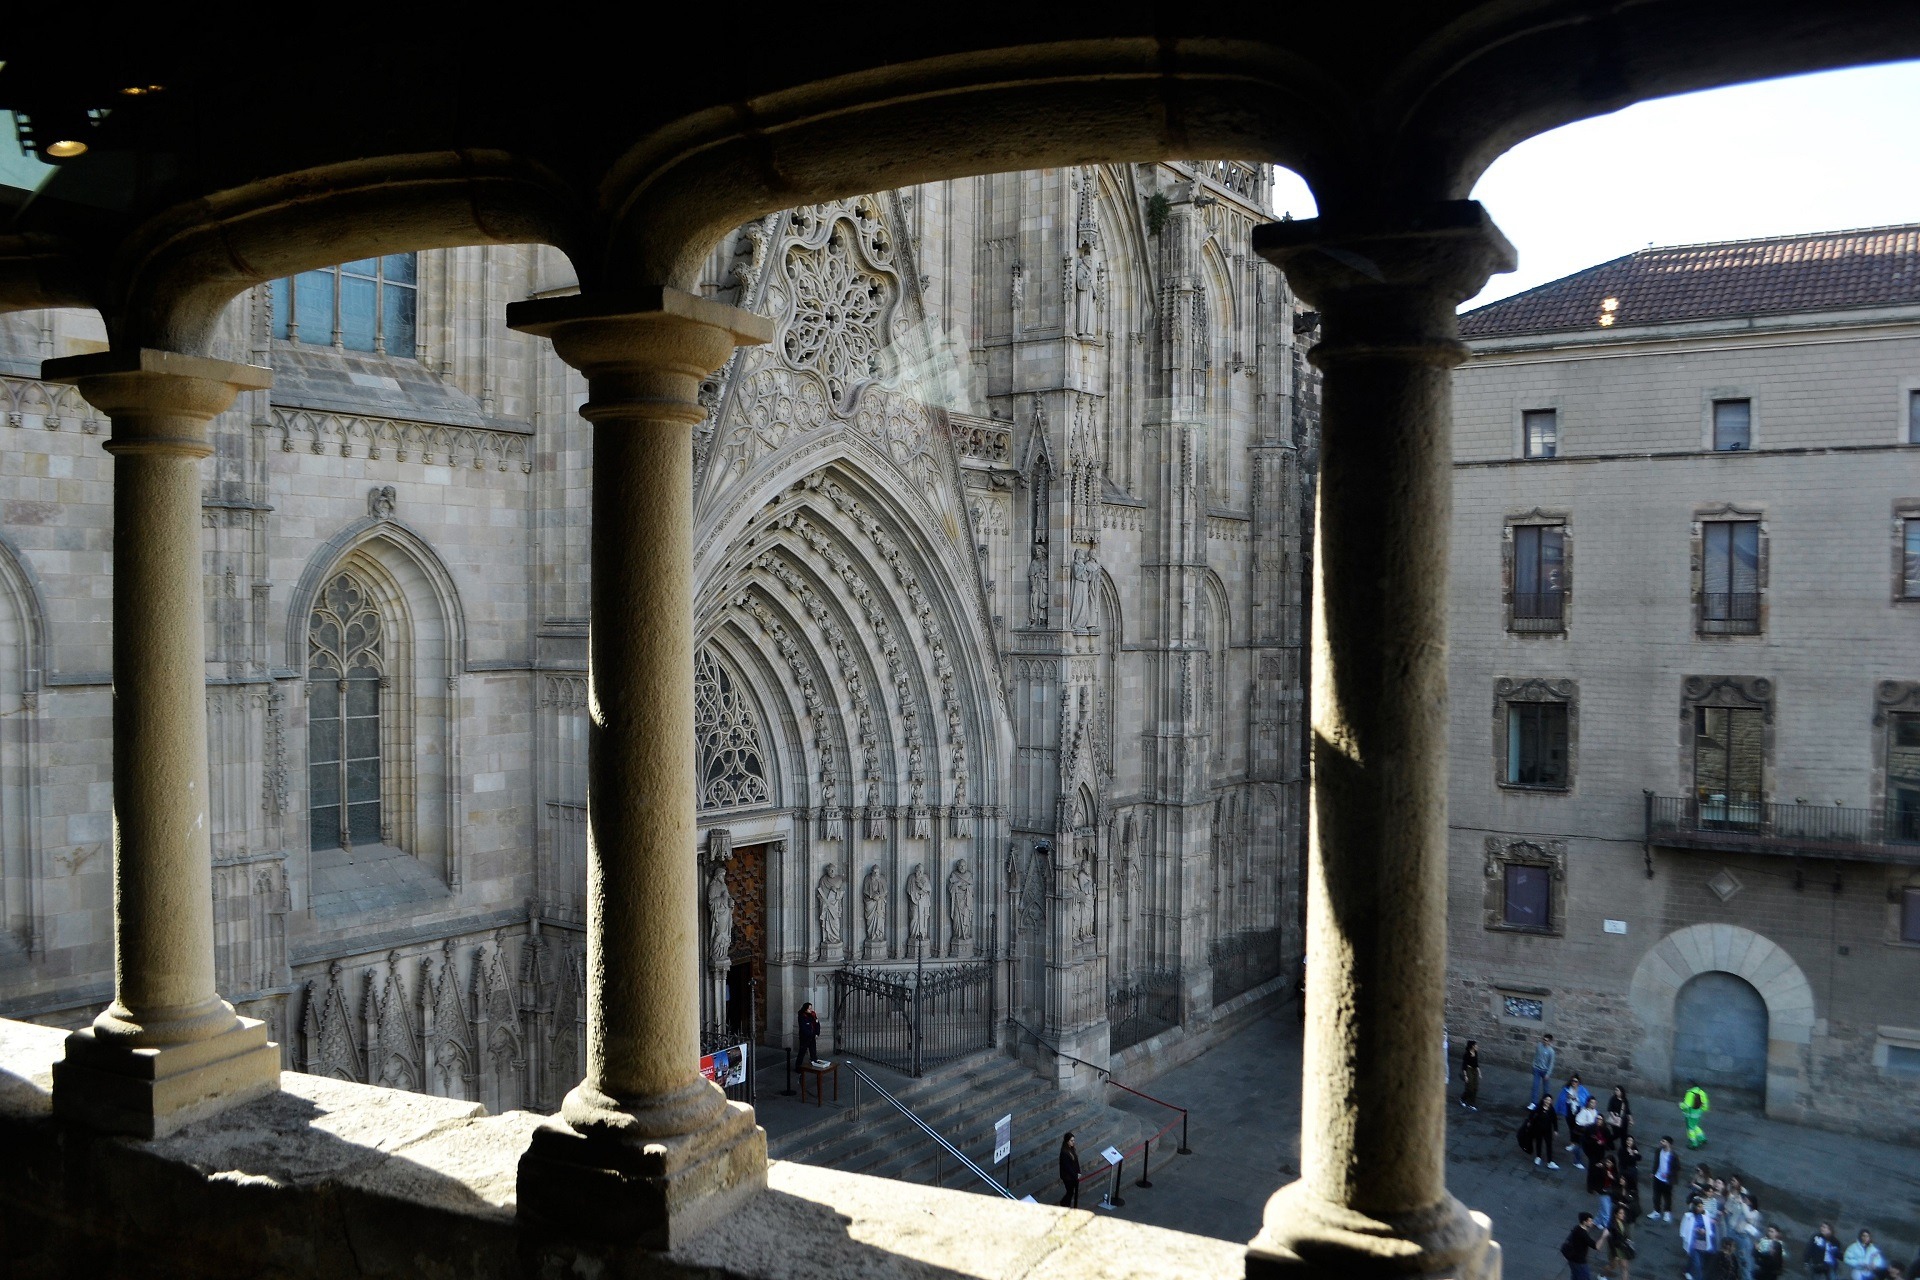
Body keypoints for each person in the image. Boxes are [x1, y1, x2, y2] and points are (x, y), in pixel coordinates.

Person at [1681, 1198, 1719, 1280]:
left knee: (1699, 1260)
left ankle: (1687, 1271)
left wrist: (1704, 1231)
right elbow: (1684, 1230)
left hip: (1701, 1241)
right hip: (1692, 1242)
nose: (1701, 1208)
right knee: (1697, 1264)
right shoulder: (1688, 1216)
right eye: (1699, 1206)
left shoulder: (1705, 1216)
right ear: (1694, 1207)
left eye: (1702, 1206)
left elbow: (1708, 1229)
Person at [1561, 1211, 1600, 1280]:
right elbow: (1595, 1246)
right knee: (1585, 1277)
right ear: (1584, 1222)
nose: (1592, 1222)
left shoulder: (1577, 1228)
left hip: (1572, 1259)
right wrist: (1604, 1236)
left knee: (1575, 1276)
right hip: (1579, 1261)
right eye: (1590, 1221)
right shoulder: (1583, 1234)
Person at [1522, 1101, 1561, 1169]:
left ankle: (1550, 1161)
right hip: (1538, 1129)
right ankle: (1538, 1157)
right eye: (1547, 1100)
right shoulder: (1539, 1108)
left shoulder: (1551, 1109)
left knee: (1549, 1145)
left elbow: (1554, 1119)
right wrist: (1530, 1122)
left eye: (1549, 1100)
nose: (1548, 1102)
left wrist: (1555, 1129)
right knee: (1538, 1143)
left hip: (1548, 1130)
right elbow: (1532, 1115)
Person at [1650, 1137, 1677, 1221]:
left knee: (1667, 1197)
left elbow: (1677, 1167)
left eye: (1663, 1141)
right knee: (1656, 1196)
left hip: (1667, 1180)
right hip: (1657, 1177)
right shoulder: (1658, 1151)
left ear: (1668, 1143)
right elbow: (1656, 1162)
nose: (1661, 1142)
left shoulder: (1673, 1155)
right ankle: (1656, 1211)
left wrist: (1669, 1174)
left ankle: (1667, 1212)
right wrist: (1653, 1172)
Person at [1606, 1205, 1635, 1280]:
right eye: (1620, 1213)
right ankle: (1603, 1274)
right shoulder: (1613, 1226)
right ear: (1616, 1214)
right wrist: (1615, 1255)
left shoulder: (1624, 1222)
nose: (1623, 1215)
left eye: (1623, 1213)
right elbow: (1611, 1241)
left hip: (1623, 1248)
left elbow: (1626, 1234)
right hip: (1616, 1249)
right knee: (1613, 1266)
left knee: (1625, 1268)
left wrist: (1628, 1240)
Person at [1591, 1152, 1619, 1227]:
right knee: (1607, 1211)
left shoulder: (1614, 1171)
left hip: (1610, 1192)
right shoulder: (1602, 1169)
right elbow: (1596, 1178)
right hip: (1603, 1192)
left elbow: (1617, 1181)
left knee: (1603, 1208)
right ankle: (1606, 1226)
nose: (1608, 1164)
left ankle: (1596, 1221)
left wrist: (1612, 1177)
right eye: (1607, 1162)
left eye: (1609, 1162)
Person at [1681, 1080, 1711, 1148]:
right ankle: (1702, 1138)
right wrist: (1701, 1110)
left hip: (1690, 1114)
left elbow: (1686, 1105)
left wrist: (1681, 1105)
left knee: (1690, 1128)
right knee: (1695, 1126)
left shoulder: (1690, 1093)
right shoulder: (1701, 1092)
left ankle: (1693, 1143)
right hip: (1698, 1113)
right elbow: (1705, 1104)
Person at [1532, 1033, 1557, 1104]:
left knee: (1546, 1089)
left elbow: (1551, 1064)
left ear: (1550, 1042)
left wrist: (1548, 1074)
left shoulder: (1551, 1051)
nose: (1544, 1041)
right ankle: (1534, 1103)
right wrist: (1534, 1065)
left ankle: (1546, 1102)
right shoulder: (1539, 1046)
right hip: (1537, 1069)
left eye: (1546, 1040)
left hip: (1545, 1071)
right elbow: (1536, 1056)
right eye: (1544, 1039)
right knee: (1535, 1086)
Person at [1058, 1132, 1081, 1208]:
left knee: (1070, 1192)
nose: (1073, 1142)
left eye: (1073, 1140)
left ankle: (1065, 1204)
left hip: (1073, 1175)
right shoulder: (1064, 1153)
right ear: (1067, 1141)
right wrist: (1075, 1175)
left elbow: (1076, 1161)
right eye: (1071, 1141)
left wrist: (1078, 1172)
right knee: (1070, 1192)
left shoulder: (1072, 1149)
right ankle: (1064, 1204)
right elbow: (1067, 1166)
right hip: (1067, 1177)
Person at [797, 1001, 821, 1067]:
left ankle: (815, 1065)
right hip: (805, 1038)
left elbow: (817, 1024)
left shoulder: (813, 1014)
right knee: (802, 1052)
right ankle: (798, 1067)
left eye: (811, 1008)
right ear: (805, 1009)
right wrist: (812, 1034)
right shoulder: (802, 1016)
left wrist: (817, 1033)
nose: (811, 1010)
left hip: (812, 1037)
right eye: (809, 1009)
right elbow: (804, 1028)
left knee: (813, 1052)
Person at [1460, 1038, 1480, 1110]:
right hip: (1469, 1070)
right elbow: (1464, 1066)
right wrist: (1465, 1076)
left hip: (1474, 1070)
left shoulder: (1476, 1053)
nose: (1477, 1047)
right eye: (1476, 1045)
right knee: (1470, 1087)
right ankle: (1463, 1099)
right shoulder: (1467, 1054)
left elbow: (1476, 1063)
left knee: (1475, 1087)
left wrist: (1479, 1073)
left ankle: (1472, 1103)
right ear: (1472, 1046)